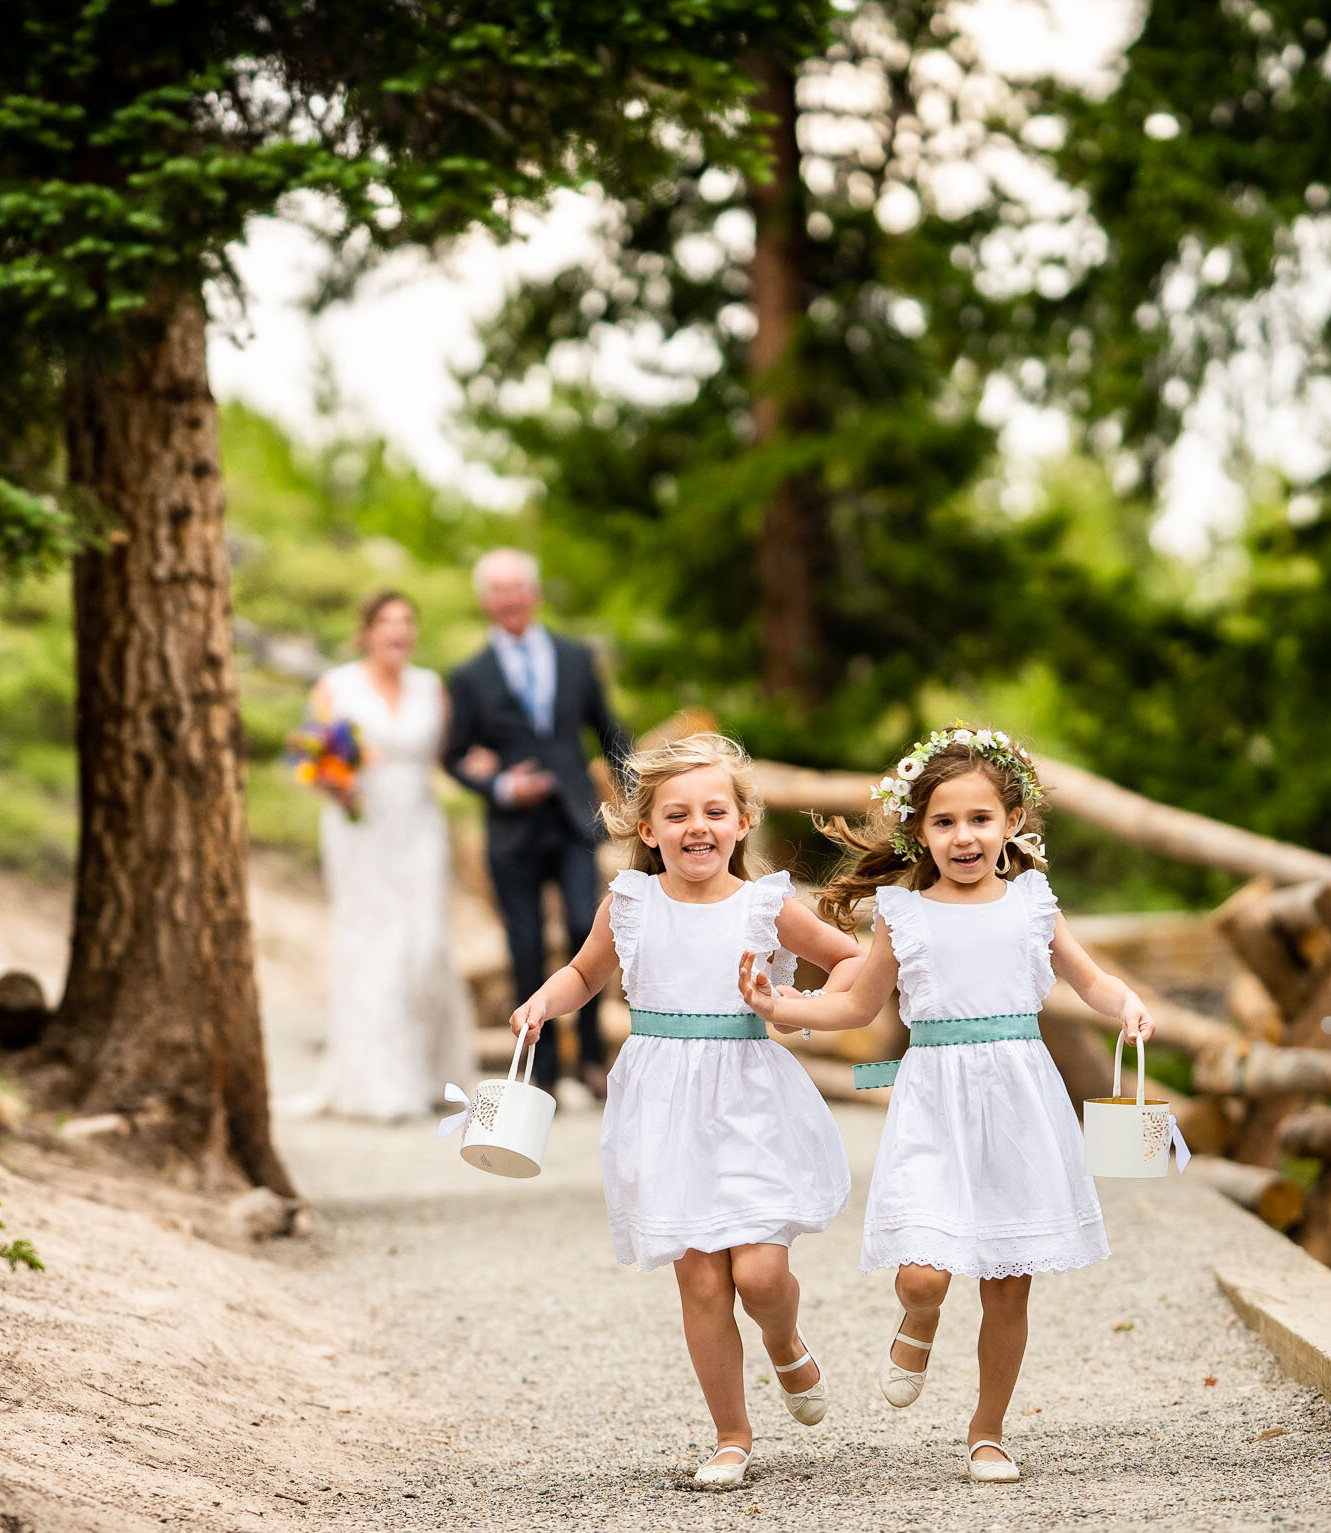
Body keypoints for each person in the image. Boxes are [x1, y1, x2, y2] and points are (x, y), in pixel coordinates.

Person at [739, 725, 1156, 1485]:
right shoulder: (904, 914)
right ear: (919, 830)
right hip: (934, 1101)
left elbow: (1090, 980)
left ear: (1011, 823)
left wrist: (1126, 1004)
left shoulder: (1033, 901)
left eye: (979, 819)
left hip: (1020, 1103)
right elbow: (860, 1006)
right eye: (945, 822)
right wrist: (788, 1005)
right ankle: (921, 1315)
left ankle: (988, 1430)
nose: (963, 836)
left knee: (1007, 1280)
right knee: (924, 1272)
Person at [509, 734, 866, 1489]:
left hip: (748, 1094)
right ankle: (731, 1433)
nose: (695, 826)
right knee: (702, 1279)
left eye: (713, 810)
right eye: (676, 814)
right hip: (664, 1102)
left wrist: (794, 1005)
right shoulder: (630, 904)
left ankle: (785, 1337)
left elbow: (854, 962)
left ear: (742, 822)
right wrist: (545, 1000)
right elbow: (583, 972)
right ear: (647, 830)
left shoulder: (767, 904)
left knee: (762, 1273)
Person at [445, 549, 633, 1095]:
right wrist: (501, 785)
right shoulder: (470, 676)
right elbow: (453, 755)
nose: (509, 599)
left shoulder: (577, 658)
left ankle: (593, 1057)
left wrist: (639, 797)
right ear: (486, 602)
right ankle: (542, 1070)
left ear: (535, 593)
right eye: (497, 590)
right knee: (524, 946)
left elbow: (609, 730)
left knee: (586, 930)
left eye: (517, 587)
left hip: (575, 821)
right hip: (511, 831)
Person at [277, 590, 469, 1121]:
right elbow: (305, 754)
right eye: (386, 621)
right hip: (360, 825)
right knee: (373, 943)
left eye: (407, 621)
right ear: (366, 631)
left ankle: (432, 1074)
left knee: (426, 941)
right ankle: (380, 1082)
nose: (398, 631)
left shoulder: (432, 688)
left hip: (420, 825)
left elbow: (447, 758)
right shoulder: (336, 685)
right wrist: (335, 785)